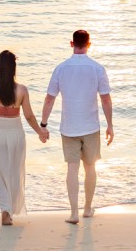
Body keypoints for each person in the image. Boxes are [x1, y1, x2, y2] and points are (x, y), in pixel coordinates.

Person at [40, 28, 113, 223]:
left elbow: (49, 99)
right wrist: (110, 125)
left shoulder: (61, 68)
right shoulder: (97, 68)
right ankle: (87, 209)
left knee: (72, 169)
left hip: (69, 128)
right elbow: (105, 99)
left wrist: (43, 124)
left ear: (72, 44)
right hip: (90, 126)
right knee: (90, 168)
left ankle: (73, 213)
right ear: (89, 44)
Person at [0, 49, 49, 225]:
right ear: (14, 68)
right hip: (16, 133)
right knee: (15, 172)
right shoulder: (22, 90)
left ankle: (5, 209)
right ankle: (9, 208)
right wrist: (40, 132)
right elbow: (29, 116)